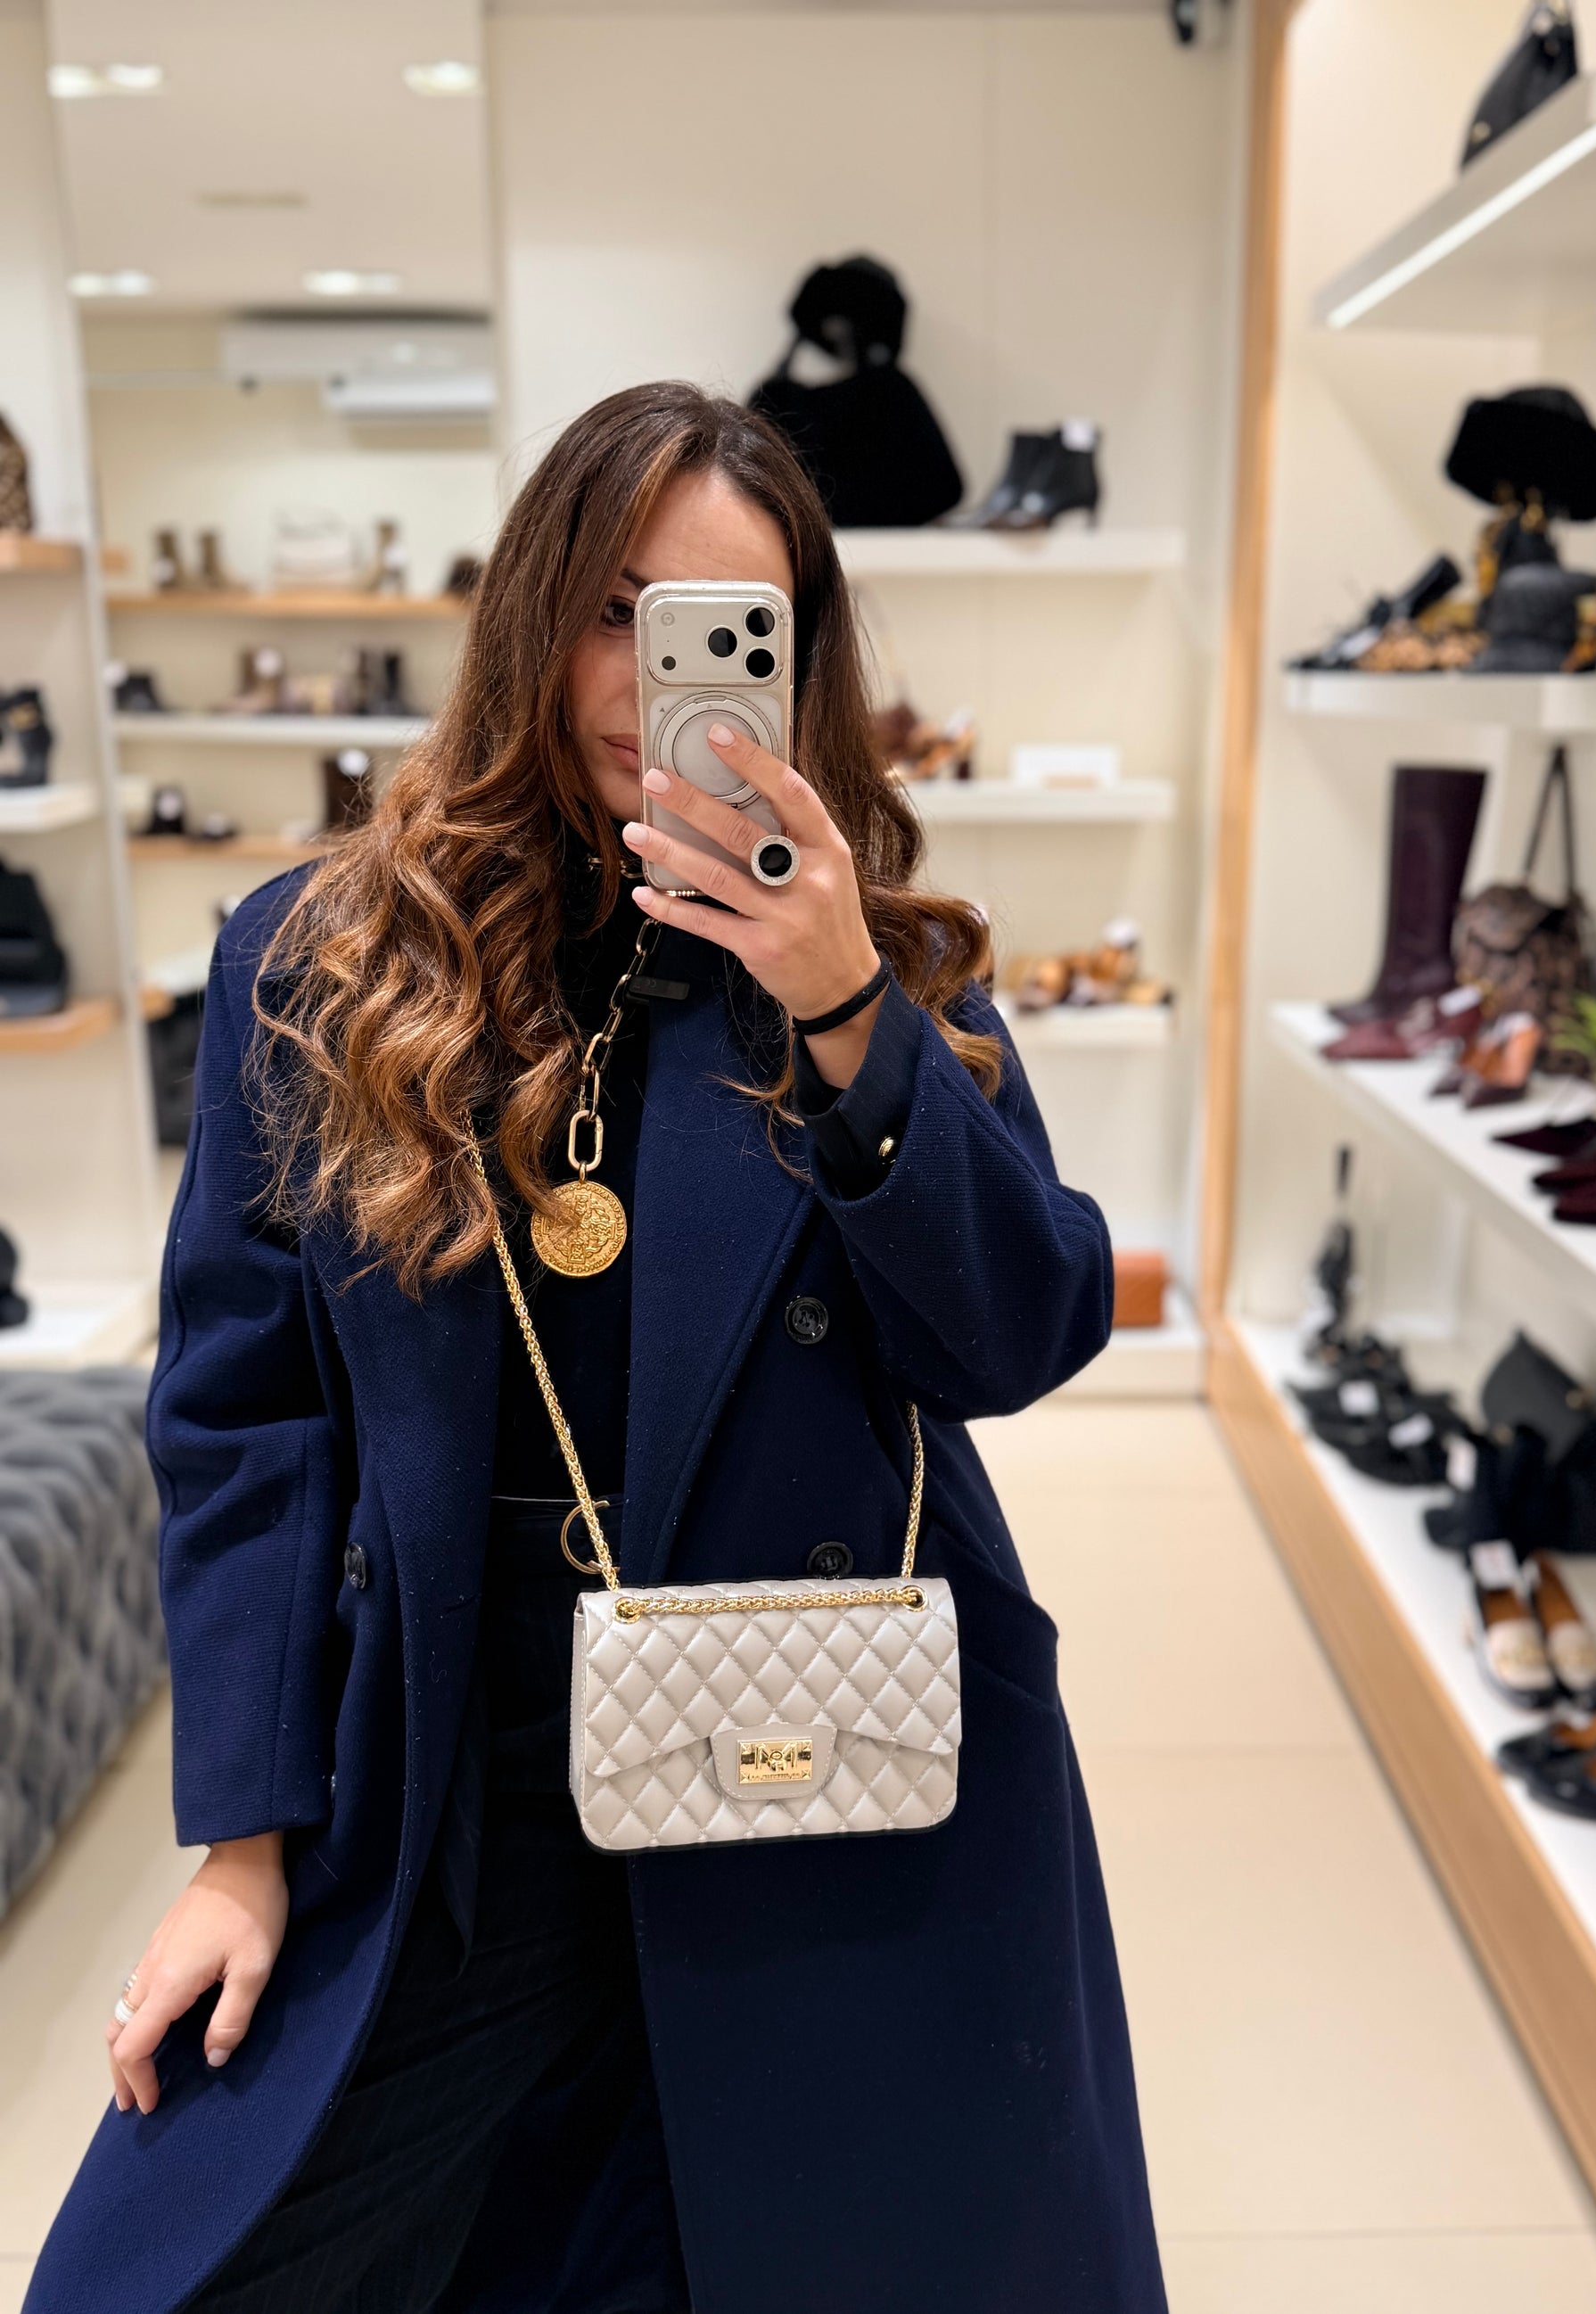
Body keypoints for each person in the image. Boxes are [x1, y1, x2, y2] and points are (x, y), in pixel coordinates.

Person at [28, 383, 1165, 2314]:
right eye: (614, 612)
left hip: (815, 1758)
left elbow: (1021, 1328)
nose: (656, 678)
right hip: (452, 1763)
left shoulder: (877, 958)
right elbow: (244, 1421)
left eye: (727, 625)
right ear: (532, 617)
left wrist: (843, 1014)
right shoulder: (324, 958)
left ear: (797, 658)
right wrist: (243, 1838)